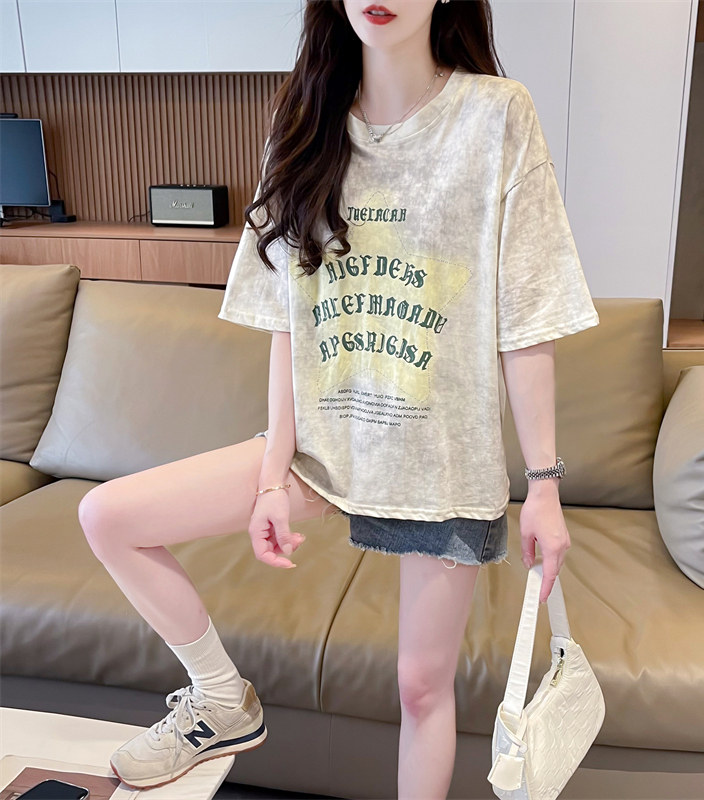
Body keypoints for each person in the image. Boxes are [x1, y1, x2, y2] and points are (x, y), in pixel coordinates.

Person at [78, 0, 600, 796]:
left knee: (421, 688)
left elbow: (526, 315)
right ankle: (219, 698)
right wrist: (270, 476)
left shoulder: (496, 116)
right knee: (107, 516)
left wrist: (545, 486)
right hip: (322, 453)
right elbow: (289, 320)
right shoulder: (303, 121)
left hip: (440, 462)